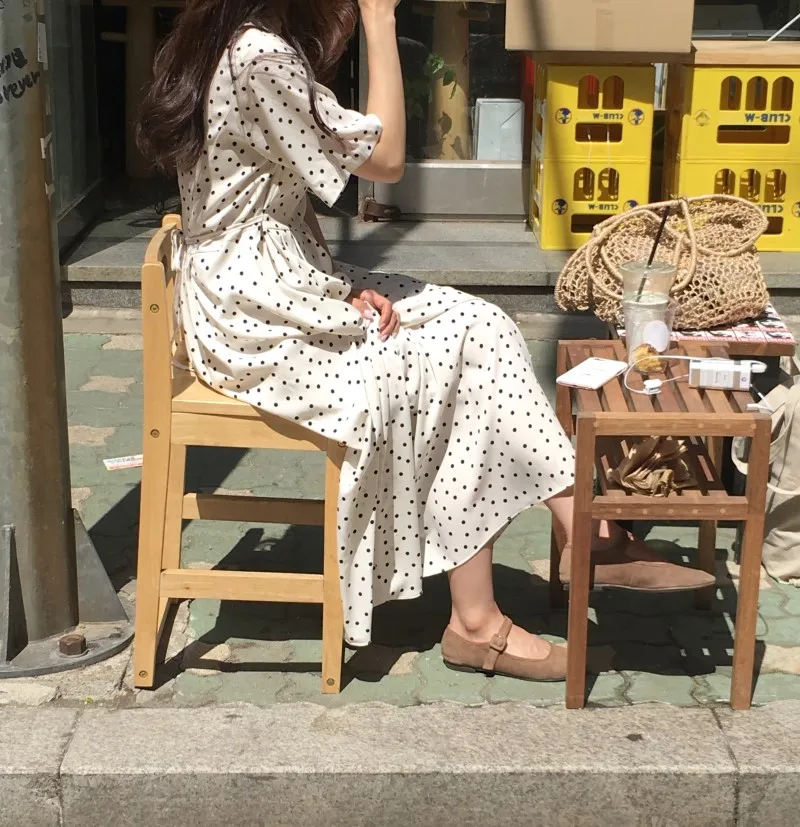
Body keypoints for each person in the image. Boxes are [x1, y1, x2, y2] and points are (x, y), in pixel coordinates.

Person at [138, 0, 714, 682]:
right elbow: (384, 161)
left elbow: (282, 199)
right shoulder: (260, 55)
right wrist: (381, 22)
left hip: (272, 287)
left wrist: (338, 288)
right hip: (254, 314)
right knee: (442, 358)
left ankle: (573, 543)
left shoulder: (230, 40)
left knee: (481, 326)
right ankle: (510, 598)